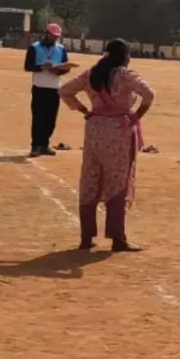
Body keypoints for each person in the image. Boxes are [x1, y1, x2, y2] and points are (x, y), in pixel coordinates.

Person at [59, 39, 155, 252]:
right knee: (117, 182)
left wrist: (84, 110)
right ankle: (117, 238)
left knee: (90, 179)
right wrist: (136, 116)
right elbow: (149, 94)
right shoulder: (125, 75)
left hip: (94, 129)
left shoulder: (91, 73)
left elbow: (64, 90)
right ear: (125, 57)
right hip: (119, 131)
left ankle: (86, 237)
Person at [24, 23, 72, 157]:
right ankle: (35, 145)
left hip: (55, 88)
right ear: (46, 33)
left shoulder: (61, 49)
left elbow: (65, 67)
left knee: (51, 119)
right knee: (38, 118)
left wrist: (58, 71)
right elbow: (28, 66)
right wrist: (42, 67)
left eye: (57, 36)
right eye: (53, 35)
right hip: (39, 87)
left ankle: (45, 144)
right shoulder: (34, 48)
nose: (55, 38)